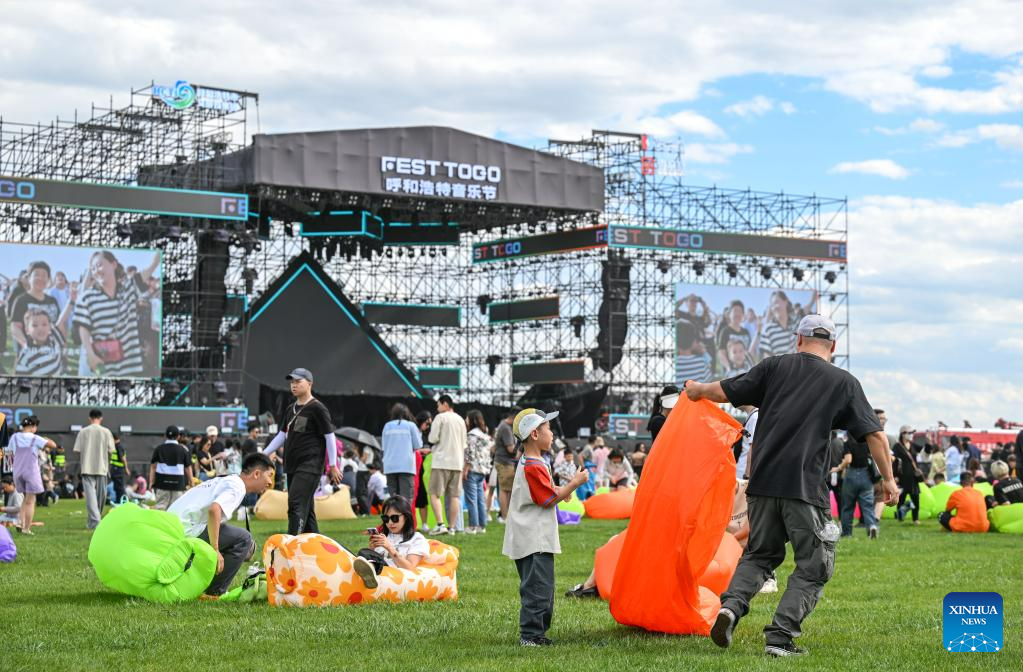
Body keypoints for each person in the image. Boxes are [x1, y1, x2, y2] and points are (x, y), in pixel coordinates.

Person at [685, 314, 897, 658]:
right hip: (804, 487)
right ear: (833, 346)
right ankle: (780, 637)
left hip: (762, 484)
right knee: (814, 565)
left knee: (759, 554)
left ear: (798, 339)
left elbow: (724, 390)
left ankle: (731, 607)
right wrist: (888, 479)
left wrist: (696, 391)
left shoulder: (774, 367)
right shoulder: (843, 382)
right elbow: (874, 434)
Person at [503, 408, 589, 646]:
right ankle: (530, 635)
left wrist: (561, 491)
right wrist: (574, 483)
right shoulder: (533, 465)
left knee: (543, 587)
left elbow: (544, 492)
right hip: (534, 539)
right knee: (537, 588)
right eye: (548, 429)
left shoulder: (534, 461)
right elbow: (548, 499)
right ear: (534, 434)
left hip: (534, 537)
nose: (552, 434)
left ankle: (538, 633)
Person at [168, 453, 274, 596]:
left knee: (244, 544)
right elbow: (214, 510)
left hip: (172, 528)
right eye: (269, 475)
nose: (270, 482)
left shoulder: (226, 480)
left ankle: (199, 579)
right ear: (256, 474)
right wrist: (216, 549)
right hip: (185, 532)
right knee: (244, 539)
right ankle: (214, 592)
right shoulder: (237, 487)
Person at [262, 368, 341, 535]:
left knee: (295, 504)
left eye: (298, 381)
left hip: (310, 465)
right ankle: (315, 544)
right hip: (292, 466)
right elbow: (282, 435)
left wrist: (333, 465)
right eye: (292, 382)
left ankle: (292, 542)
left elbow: (330, 437)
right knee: (307, 510)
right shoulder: (290, 408)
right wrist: (264, 453)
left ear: (310, 384)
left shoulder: (317, 408)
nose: (293, 385)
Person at [74, 250, 159, 377]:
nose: (96, 271)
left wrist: (158, 257)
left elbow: (151, 267)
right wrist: (90, 354)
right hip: (101, 367)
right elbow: (83, 327)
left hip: (129, 367)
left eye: (99, 265)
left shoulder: (127, 290)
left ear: (113, 264)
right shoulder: (88, 297)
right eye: (93, 268)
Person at [351, 495, 430, 589]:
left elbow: (410, 567)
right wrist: (372, 549)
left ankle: (371, 571)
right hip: (381, 573)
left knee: (366, 556)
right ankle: (369, 573)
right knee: (363, 553)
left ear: (406, 517)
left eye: (395, 518)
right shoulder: (384, 536)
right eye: (386, 518)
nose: (390, 523)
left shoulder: (417, 538)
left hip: (395, 578)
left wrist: (389, 548)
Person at [4, 415, 56, 534]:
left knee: (25, 499)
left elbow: (8, 453)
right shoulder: (35, 438)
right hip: (31, 472)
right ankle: (26, 528)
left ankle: (19, 522)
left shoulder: (14, 437)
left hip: (18, 472)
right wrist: (45, 439)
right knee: (31, 501)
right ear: (33, 426)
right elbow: (53, 445)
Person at [835, 411, 883, 538]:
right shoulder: (867, 442)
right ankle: (872, 526)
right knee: (867, 505)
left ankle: (847, 533)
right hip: (866, 475)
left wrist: (838, 468)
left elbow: (848, 460)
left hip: (851, 475)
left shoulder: (848, 443)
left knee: (847, 506)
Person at [426, 395, 467, 535]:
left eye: (438, 404)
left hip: (441, 461)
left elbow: (432, 438)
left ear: (445, 404)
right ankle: (452, 527)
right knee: (454, 496)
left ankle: (440, 525)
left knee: (434, 494)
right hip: (457, 463)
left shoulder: (440, 417)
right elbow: (464, 443)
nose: (437, 408)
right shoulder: (460, 419)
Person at [73, 409, 115, 529]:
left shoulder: (83, 431)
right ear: (101, 418)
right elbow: (111, 450)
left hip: (87, 466)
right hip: (102, 466)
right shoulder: (106, 431)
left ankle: (94, 521)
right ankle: (96, 520)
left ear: (89, 418)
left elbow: (77, 450)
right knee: (101, 495)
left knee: (91, 495)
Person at [380, 403, 421, 504]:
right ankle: (404, 515)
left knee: (393, 499)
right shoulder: (411, 426)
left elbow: (384, 447)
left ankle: (394, 514)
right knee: (406, 499)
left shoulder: (387, 426)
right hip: (406, 466)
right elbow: (418, 445)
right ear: (406, 413)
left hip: (390, 467)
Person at [15, 308, 69, 376]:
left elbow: (62, 320)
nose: (40, 328)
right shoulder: (25, 355)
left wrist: (71, 302)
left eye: (44, 324)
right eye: (35, 325)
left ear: (50, 327)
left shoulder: (54, 338)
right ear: (27, 330)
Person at [463, 409, 493, 534]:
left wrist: (466, 469)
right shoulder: (484, 434)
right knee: (480, 499)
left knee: (471, 499)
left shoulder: (472, 435)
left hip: (472, 470)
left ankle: (472, 526)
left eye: (467, 418)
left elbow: (470, 453)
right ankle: (482, 525)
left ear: (472, 420)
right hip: (482, 470)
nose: (466, 420)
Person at [892, 425, 923, 525]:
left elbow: (925, 450)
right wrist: (895, 475)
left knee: (915, 497)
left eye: (912, 433)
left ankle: (915, 519)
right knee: (901, 498)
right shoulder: (897, 446)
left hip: (913, 476)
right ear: (903, 434)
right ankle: (899, 517)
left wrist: (928, 441)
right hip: (902, 476)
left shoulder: (913, 445)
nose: (911, 435)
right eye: (909, 433)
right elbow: (894, 462)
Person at [493, 408, 520, 524]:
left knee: (507, 490)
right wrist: (522, 449)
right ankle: (504, 517)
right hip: (504, 462)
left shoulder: (505, 426)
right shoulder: (505, 428)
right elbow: (510, 448)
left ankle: (505, 515)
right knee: (505, 490)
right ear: (514, 417)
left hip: (505, 462)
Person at [414, 410, 433, 530]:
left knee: (423, 496)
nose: (428, 426)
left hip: (424, 469)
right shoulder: (414, 431)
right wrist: (421, 451)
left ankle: (424, 524)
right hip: (414, 467)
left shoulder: (428, 434)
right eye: (427, 423)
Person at [109, 433, 127, 505]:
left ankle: (123, 501)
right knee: (117, 486)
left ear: (114, 439)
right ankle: (118, 501)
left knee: (119, 486)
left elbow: (123, 458)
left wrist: (126, 468)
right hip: (116, 469)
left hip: (118, 469)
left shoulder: (118, 447)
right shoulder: (116, 446)